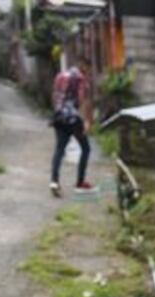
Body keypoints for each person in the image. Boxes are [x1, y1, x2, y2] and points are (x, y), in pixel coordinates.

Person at [49, 56, 93, 197]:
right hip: (73, 119)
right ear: (84, 66)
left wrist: (57, 112)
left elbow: (54, 96)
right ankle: (80, 182)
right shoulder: (80, 79)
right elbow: (83, 100)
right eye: (88, 69)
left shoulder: (60, 76)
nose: (88, 72)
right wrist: (86, 121)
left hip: (59, 117)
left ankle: (54, 181)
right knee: (86, 148)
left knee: (59, 150)